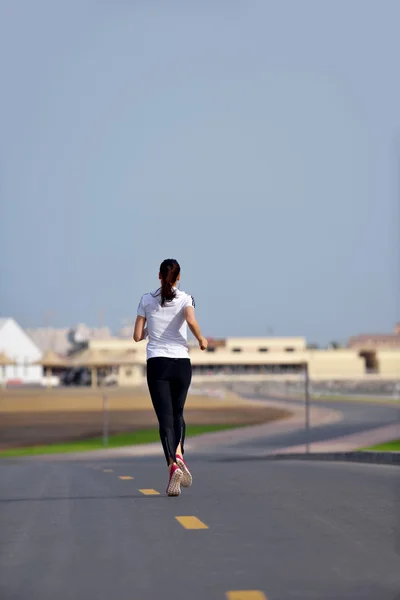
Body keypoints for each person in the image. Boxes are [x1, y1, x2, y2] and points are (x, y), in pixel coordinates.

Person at [133, 258, 208, 496]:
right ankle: (179, 454)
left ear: (158, 276)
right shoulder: (186, 298)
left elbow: (136, 336)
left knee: (165, 419)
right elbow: (191, 320)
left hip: (157, 364)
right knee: (178, 414)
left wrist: (150, 328)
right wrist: (202, 340)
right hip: (181, 364)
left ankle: (172, 466)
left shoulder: (146, 300)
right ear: (178, 278)